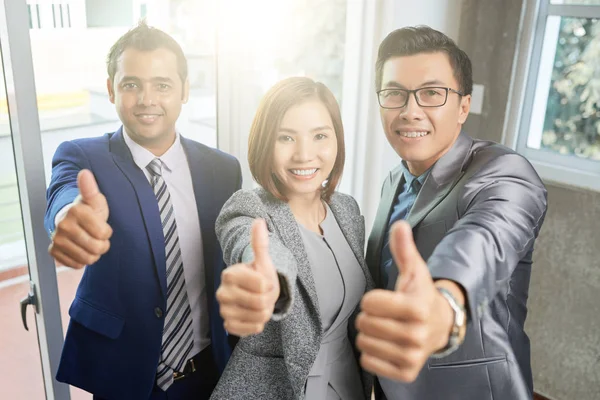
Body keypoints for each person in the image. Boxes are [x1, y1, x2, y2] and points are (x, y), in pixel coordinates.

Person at [44, 22, 241, 400]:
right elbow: (64, 195)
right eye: (131, 84)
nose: (147, 99)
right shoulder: (83, 156)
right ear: (110, 90)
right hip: (124, 375)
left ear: (184, 90)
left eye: (162, 85)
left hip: (208, 370)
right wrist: (68, 217)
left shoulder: (222, 169)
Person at [355, 26, 548, 400]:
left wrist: (443, 304)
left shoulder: (504, 172)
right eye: (395, 94)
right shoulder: (395, 177)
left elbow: (483, 239)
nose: (410, 111)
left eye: (431, 93)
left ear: (463, 106)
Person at [210, 77, 374, 399]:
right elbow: (253, 246)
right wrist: (269, 281)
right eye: (286, 137)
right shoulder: (249, 207)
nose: (304, 154)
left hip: (348, 386)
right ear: (264, 142)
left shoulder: (346, 210)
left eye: (320, 136)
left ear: (336, 140)